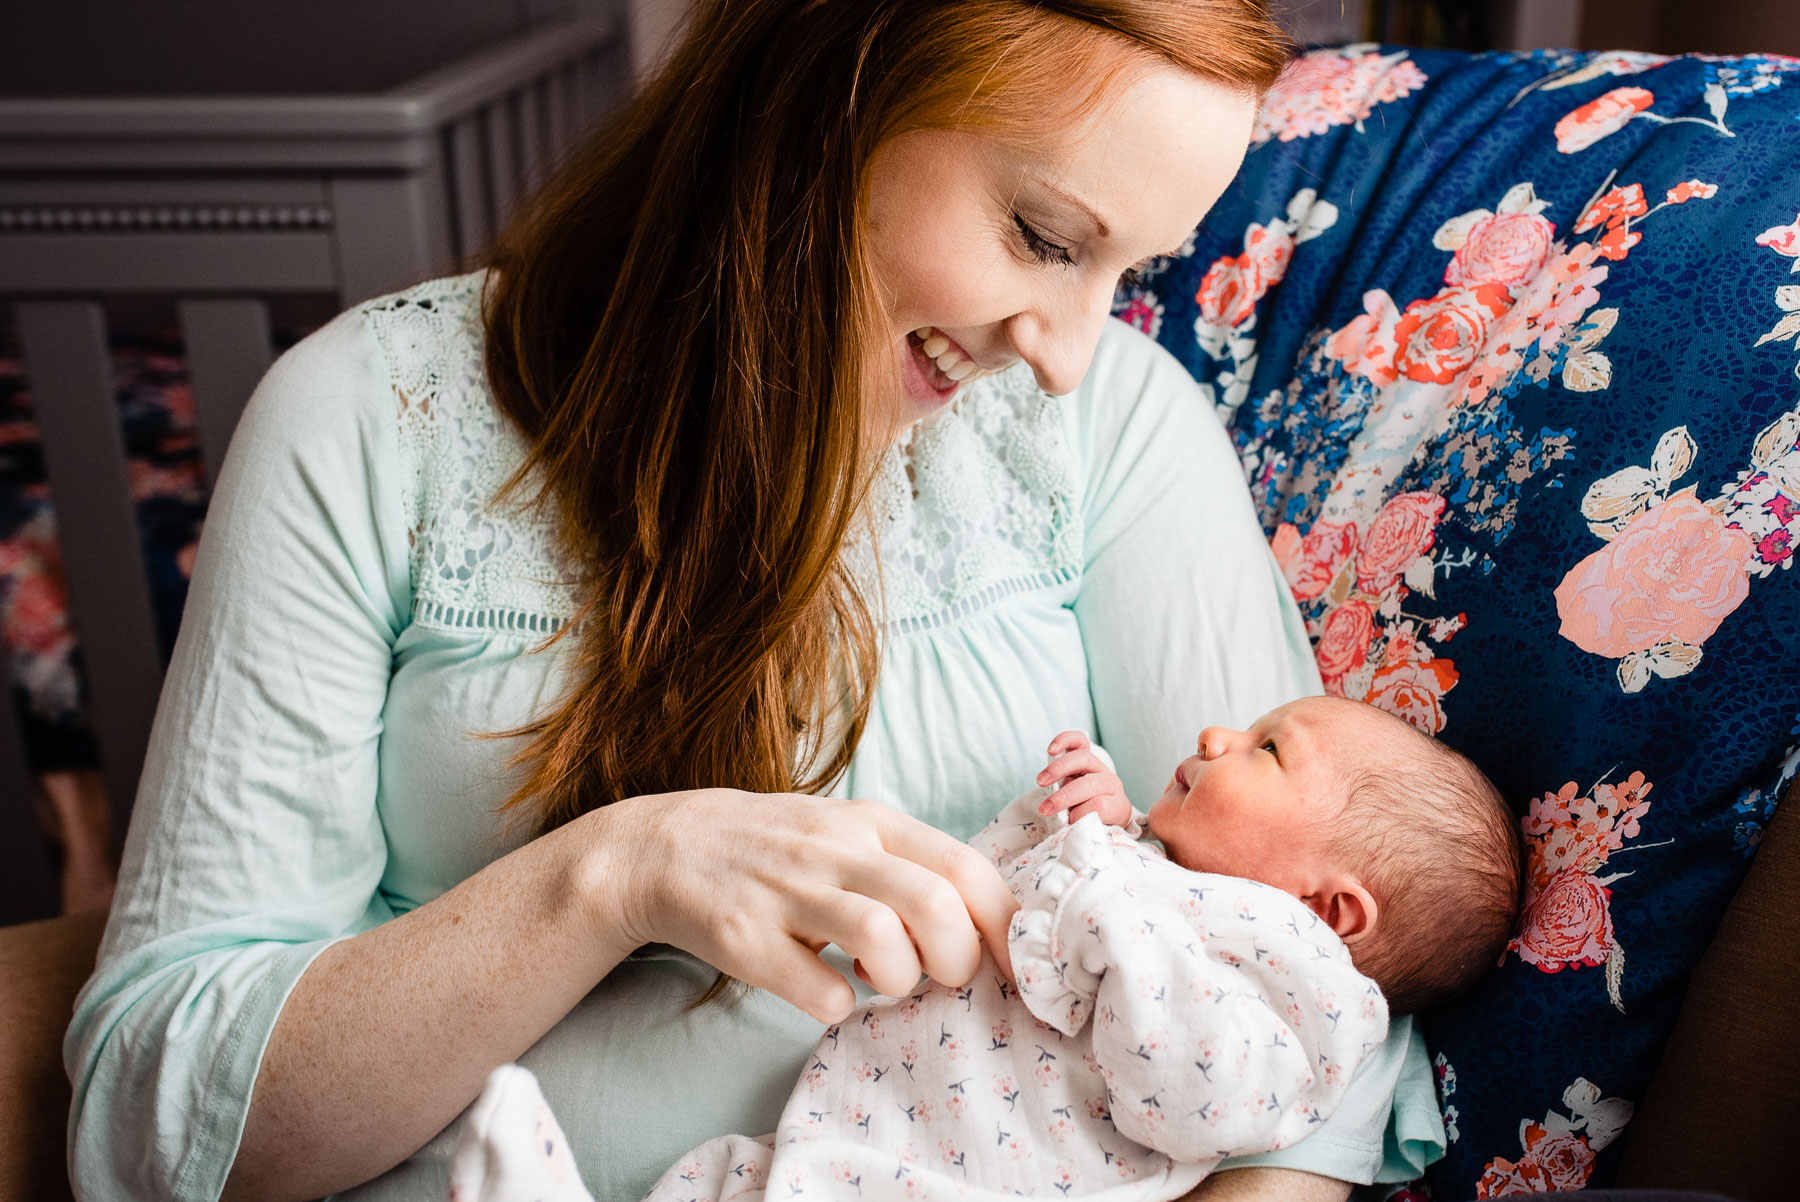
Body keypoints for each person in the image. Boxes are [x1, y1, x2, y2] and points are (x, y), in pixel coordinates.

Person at [64, 3, 1447, 1200]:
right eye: (1040, 233)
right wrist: (609, 879)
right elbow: (159, 1113)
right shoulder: (365, 418)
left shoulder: (1110, 431)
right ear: (829, 92)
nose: (1071, 353)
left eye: (1126, 271)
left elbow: (1309, 1024)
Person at [446, 697, 1520, 1202]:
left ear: (1333, 909)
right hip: (862, 1125)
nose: (1212, 735)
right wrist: (1069, 821)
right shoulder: (1151, 865)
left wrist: (1103, 873)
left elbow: (1195, 1085)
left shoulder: (1301, 988)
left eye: (1268, 748)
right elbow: (996, 901)